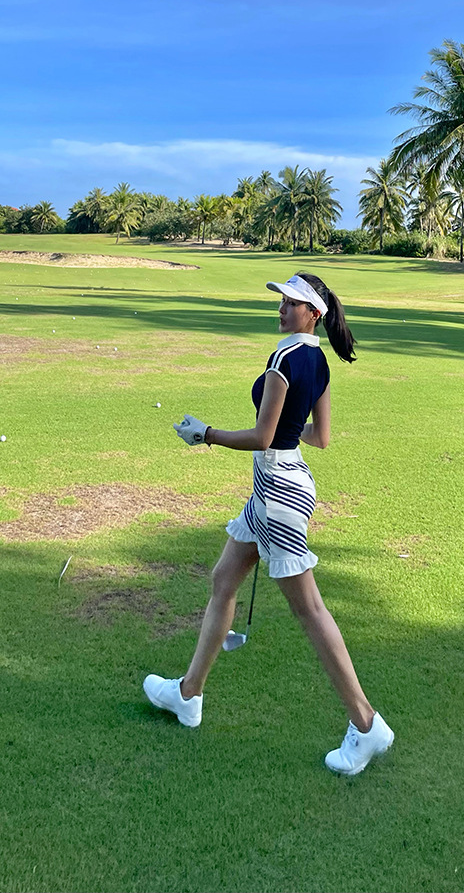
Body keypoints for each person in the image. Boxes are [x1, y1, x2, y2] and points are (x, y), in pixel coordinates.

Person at [143, 273, 393, 776]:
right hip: (281, 484)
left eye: (292, 302)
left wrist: (206, 434)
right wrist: (283, 430)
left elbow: (262, 437)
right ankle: (188, 695)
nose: (282, 308)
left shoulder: (284, 358)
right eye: (282, 300)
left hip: (278, 491)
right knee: (224, 580)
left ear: (313, 313)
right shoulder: (318, 360)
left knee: (310, 610)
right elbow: (319, 436)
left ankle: (366, 725)